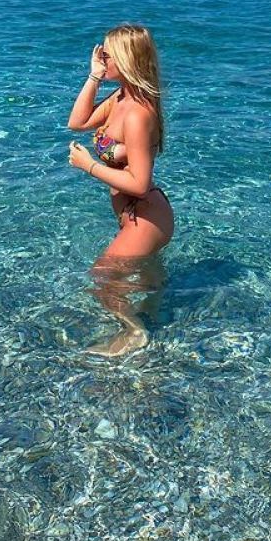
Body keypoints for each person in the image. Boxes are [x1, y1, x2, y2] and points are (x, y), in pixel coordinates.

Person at [67, 23, 174, 355]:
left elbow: (139, 184)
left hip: (146, 216)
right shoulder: (120, 98)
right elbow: (77, 123)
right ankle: (154, 316)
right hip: (133, 216)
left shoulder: (138, 114)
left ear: (127, 59)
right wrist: (94, 76)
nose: (102, 59)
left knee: (102, 279)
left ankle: (134, 333)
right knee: (144, 277)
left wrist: (89, 165)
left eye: (107, 55)